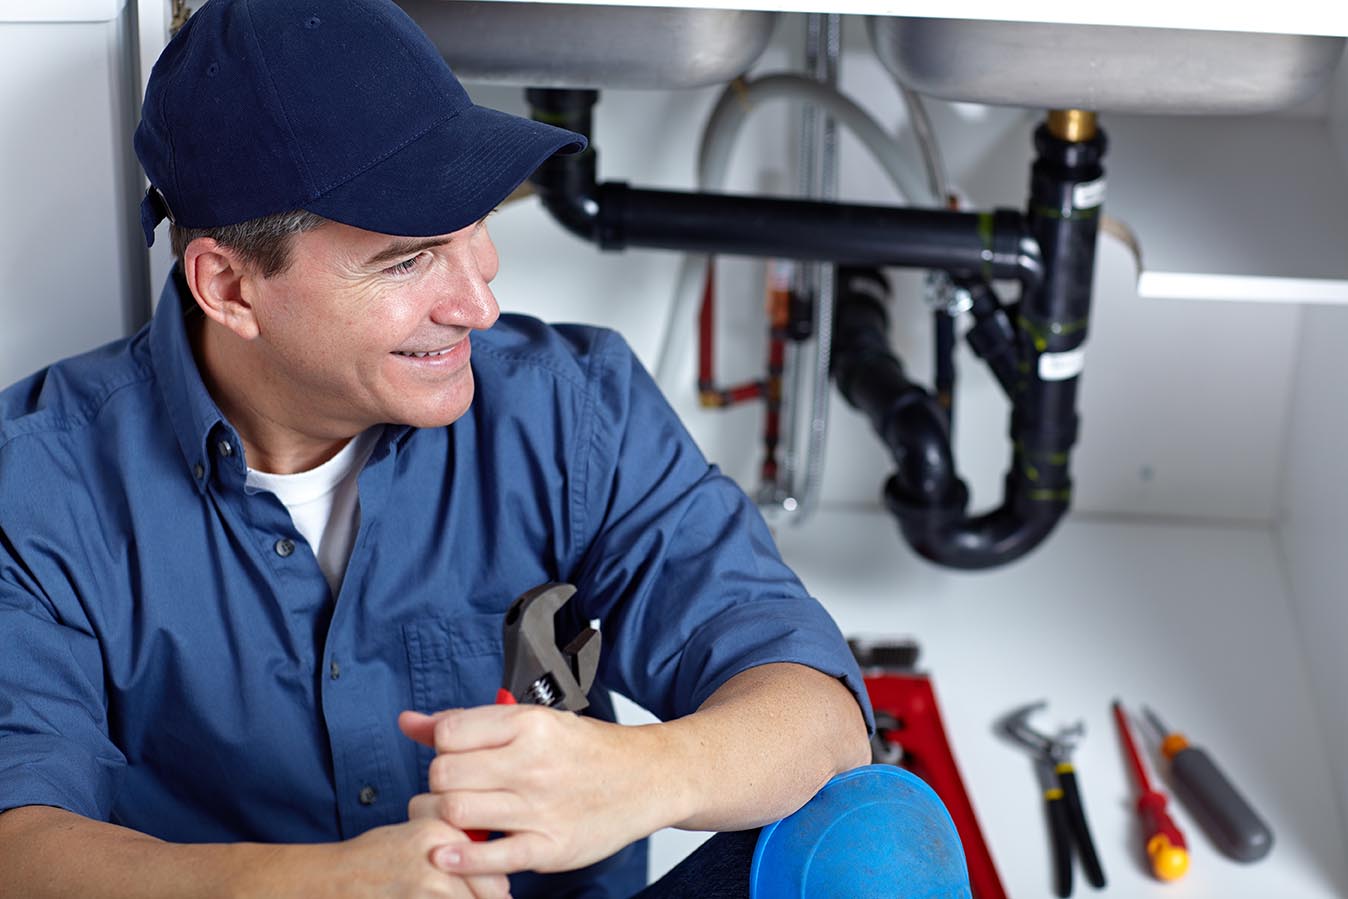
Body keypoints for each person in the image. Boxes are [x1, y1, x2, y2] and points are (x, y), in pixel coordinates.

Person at [0, 1, 873, 896]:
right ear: (228, 285)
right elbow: (17, 846)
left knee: (877, 842)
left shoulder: (571, 408)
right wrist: (331, 887)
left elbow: (822, 716)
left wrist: (647, 774)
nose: (479, 305)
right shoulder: (36, 486)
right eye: (410, 258)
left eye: (476, 223)